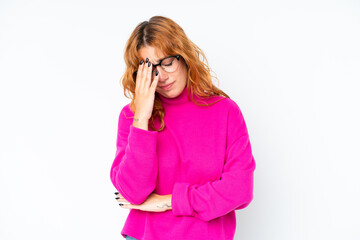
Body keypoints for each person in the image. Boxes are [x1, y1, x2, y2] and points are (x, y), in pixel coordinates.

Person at [109, 15, 256, 240]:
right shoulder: (133, 116)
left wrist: (169, 201)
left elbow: (239, 190)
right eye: (152, 68)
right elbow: (133, 193)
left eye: (168, 62)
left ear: (184, 56)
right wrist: (142, 119)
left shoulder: (224, 111)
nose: (163, 76)